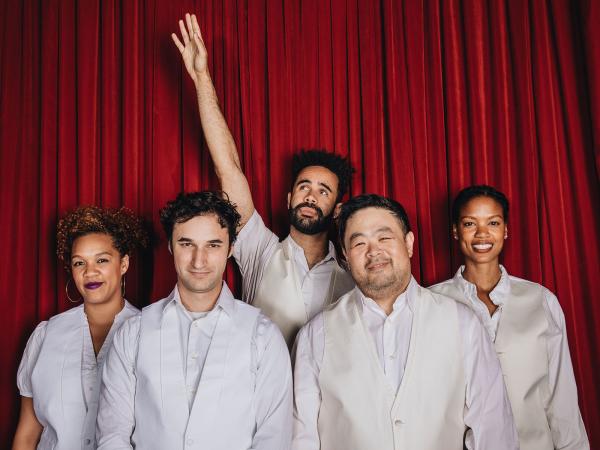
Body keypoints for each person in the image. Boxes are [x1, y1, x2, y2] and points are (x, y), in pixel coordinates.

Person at [171, 14, 355, 346]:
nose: (311, 196)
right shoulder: (261, 250)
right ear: (289, 199)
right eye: (304, 187)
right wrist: (201, 76)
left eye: (323, 191)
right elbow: (228, 167)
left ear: (338, 209)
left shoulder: (355, 272)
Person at [292, 194, 518, 450]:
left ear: (409, 243)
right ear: (345, 256)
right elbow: (301, 438)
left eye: (384, 238)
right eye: (359, 244)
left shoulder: (462, 323)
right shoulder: (316, 335)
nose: (374, 251)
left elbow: (494, 432)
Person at [96, 191, 292, 450]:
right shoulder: (134, 332)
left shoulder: (263, 336)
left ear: (231, 248)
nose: (199, 260)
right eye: (187, 244)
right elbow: (112, 435)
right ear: (170, 245)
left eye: (213, 245)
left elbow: (273, 439)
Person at [429, 185, 589, 450]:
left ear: (506, 230)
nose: (482, 233)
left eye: (493, 222)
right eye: (470, 223)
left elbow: (562, 398)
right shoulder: (431, 303)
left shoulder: (541, 300)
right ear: (455, 230)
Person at [12, 206, 148, 450]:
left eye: (102, 260)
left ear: (124, 263)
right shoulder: (46, 335)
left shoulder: (149, 333)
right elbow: (27, 433)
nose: (90, 272)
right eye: (79, 263)